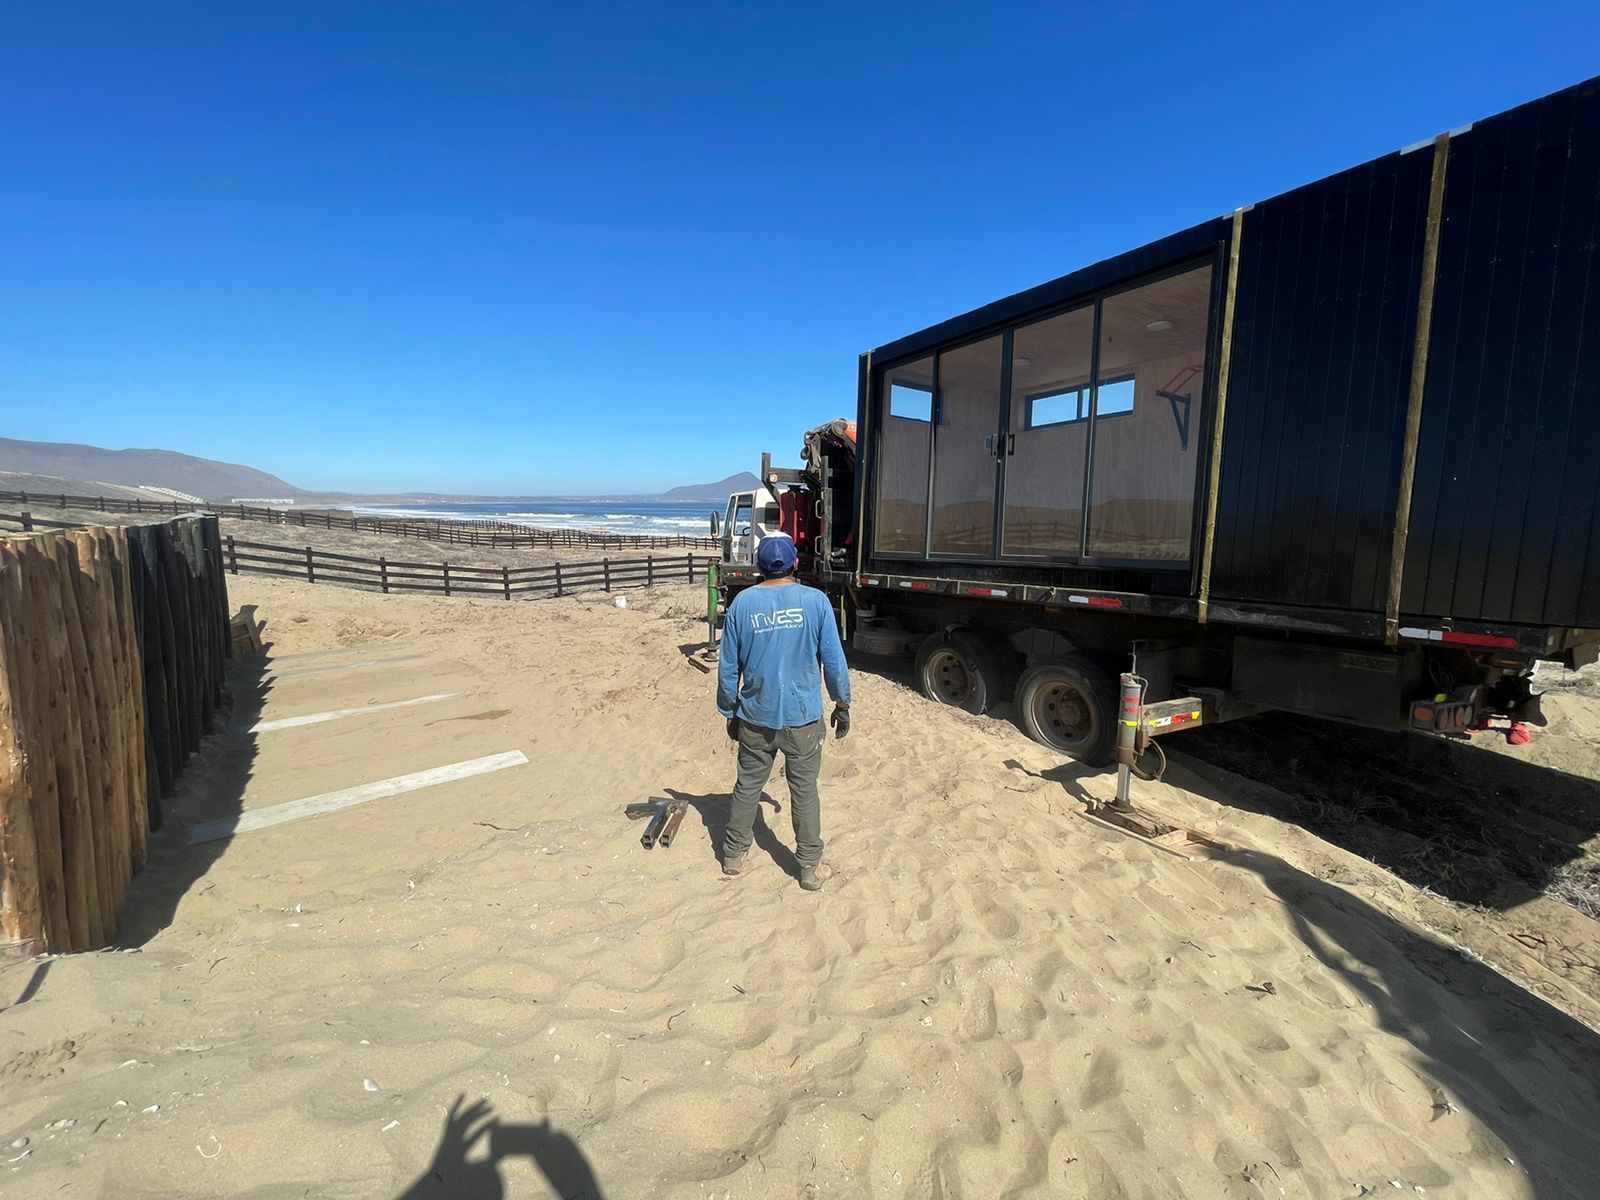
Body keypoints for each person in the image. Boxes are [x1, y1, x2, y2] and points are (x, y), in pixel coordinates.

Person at [716, 533, 851, 891]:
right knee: (804, 791)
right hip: (802, 717)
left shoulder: (742, 604)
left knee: (748, 785)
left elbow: (728, 668)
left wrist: (729, 710)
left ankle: (733, 855)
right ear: (794, 563)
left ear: (758, 566)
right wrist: (842, 703)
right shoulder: (815, 601)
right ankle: (808, 866)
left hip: (755, 715)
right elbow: (834, 661)